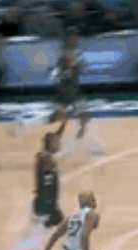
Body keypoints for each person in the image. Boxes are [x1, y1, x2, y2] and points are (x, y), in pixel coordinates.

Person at [0, 120, 68, 250]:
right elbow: (47, 183)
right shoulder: (45, 158)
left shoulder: (47, 156)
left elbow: (54, 140)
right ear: (50, 144)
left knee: (55, 234)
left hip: (45, 205)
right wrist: (52, 209)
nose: (60, 144)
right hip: (45, 206)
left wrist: (63, 125)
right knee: (33, 244)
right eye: (57, 142)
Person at [49, 28, 104, 156]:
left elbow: (76, 67)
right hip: (63, 92)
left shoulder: (75, 54)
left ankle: (89, 141)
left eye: (74, 38)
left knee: (83, 117)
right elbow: (62, 70)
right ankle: (56, 141)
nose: (73, 39)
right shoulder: (63, 55)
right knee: (60, 118)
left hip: (74, 92)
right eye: (71, 37)